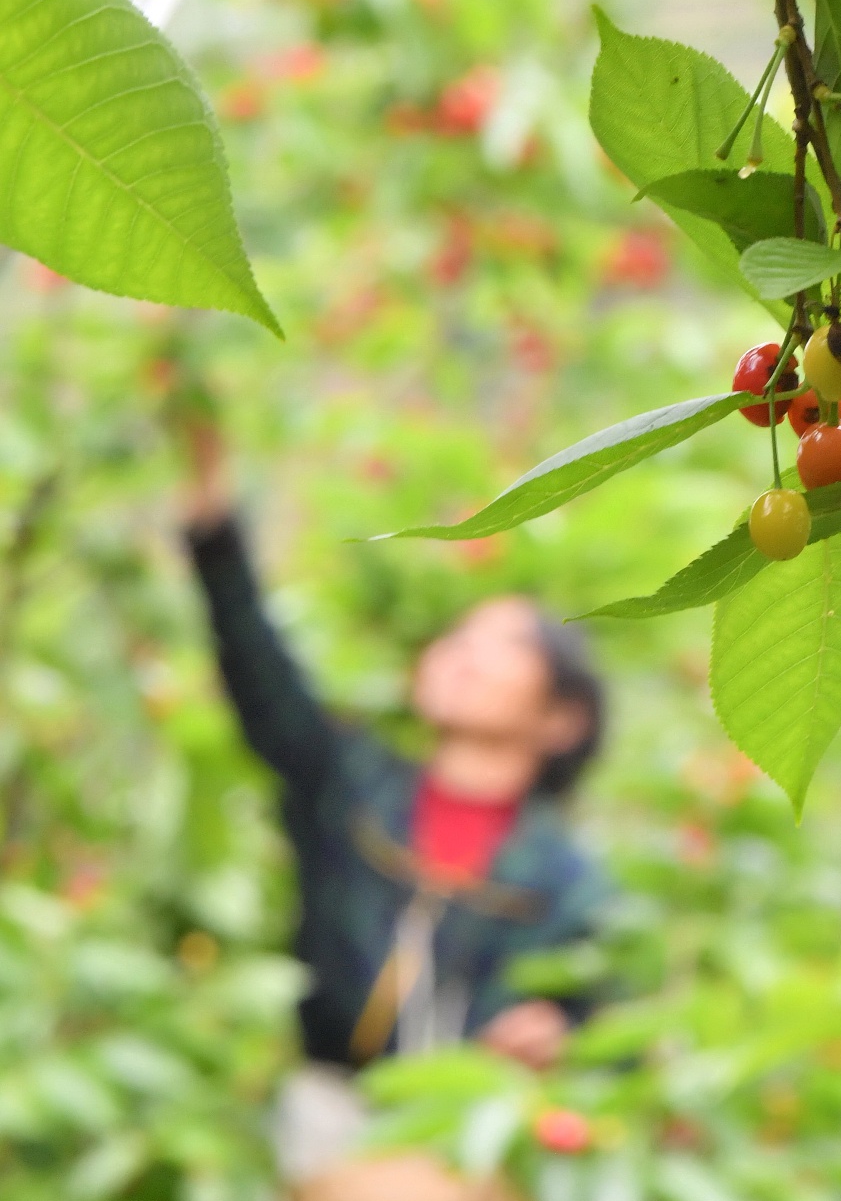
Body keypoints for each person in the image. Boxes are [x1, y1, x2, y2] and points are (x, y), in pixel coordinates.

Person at [178, 419, 608, 1110]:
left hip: (473, 1144)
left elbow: (597, 1026)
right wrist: (214, 524)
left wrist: (555, 1035)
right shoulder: (351, 787)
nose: (464, 652)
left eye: (503, 643)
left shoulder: (570, 884)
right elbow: (263, 681)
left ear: (562, 719)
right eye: (458, 636)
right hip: (326, 1118)